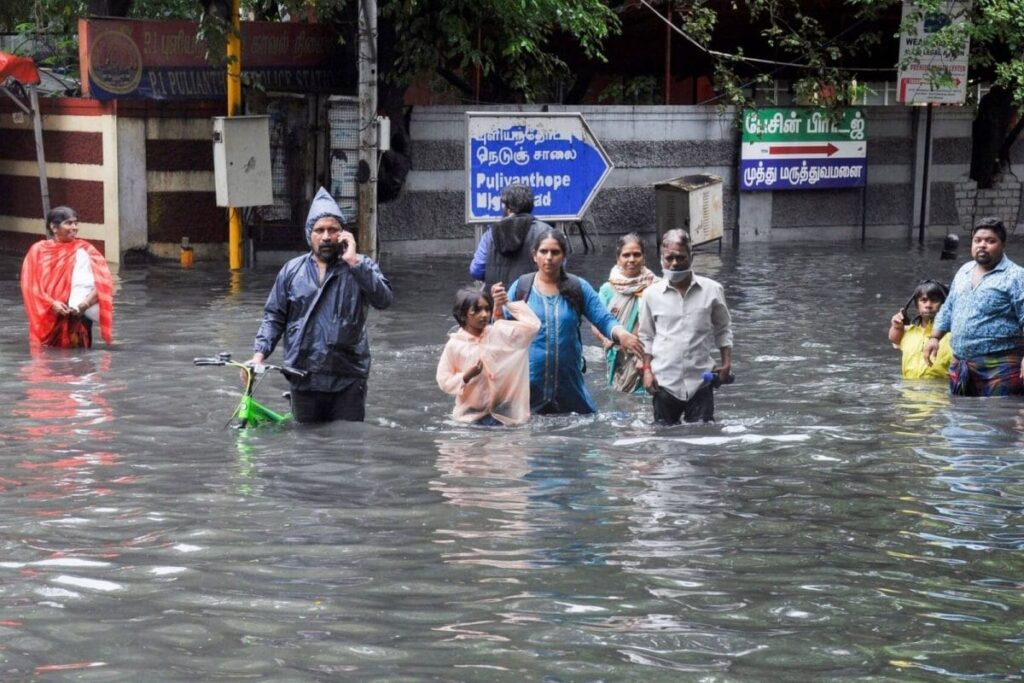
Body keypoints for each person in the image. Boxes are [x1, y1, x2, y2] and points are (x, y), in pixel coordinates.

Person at [249, 187, 393, 423]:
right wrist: (259, 356)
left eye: (332, 230)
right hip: (303, 377)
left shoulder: (361, 266)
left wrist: (355, 263)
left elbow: (384, 299)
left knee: (346, 446)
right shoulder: (291, 271)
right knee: (305, 448)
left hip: (348, 377)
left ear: (343, 234)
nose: (326, 236)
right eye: (320, 230)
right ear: (310, 234)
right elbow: (274, 317)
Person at [505, 229, 644, 415]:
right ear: (534, 256)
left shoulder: (578, 287)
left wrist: (622, 334)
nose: (549, 257)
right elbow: (500, 329)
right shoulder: (522, 288)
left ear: (564, 257)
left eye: (555, 252)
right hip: (528, 385)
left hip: (570, 386)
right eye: (543, 252)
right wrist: (498, 308)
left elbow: (603, 318)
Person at [638, 229, 733, 424]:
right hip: (663, 383)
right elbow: (646, 336)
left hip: (701, 383)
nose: (674, 263)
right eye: (669, 258)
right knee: (663, 440)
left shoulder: (713, 290)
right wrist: (647, 371)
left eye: (680, 258)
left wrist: (726, 363)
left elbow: (723, 328)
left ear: (691, 257)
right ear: (661, 258)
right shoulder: (650, 295)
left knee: (701, 441)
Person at [925, 216, 1024, 396]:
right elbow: (949, 308)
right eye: (977, 240)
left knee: (1000, 419)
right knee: (959, 419)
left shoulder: (1016, 276)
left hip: (1001, 366)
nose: (982, 245)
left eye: (990, 241)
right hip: (961, 364)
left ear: (1003, 244)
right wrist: (934, 338)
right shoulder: (964, 271)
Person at [436, 283, 541, 426]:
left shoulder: (498, 333)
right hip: (470, 418)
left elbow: (532, 327)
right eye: (477, 310)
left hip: (505, 415)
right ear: (463, 315)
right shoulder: (455, 345)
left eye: (487, 309)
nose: (484, 314)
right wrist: (466, 376)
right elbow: (444, 381)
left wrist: (507, 304)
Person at [20, 206, 114, 348]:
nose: (74, 227)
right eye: (69, 223)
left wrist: (86, 304)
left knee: (81, 363)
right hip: (49, 316)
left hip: (78, 316)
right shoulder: (38, 251)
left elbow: (104, 283)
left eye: (76, 223)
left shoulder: (86, 250)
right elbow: (30, 286)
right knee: (48, 363)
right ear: (54, 227)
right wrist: (52, 304)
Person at [592, 233, 659, 393]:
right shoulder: (608, 290)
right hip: (618, 355)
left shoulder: (656, 286)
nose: (631, 259)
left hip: (650, 355)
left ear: (644, 258)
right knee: (621, 398)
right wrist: (606, 340)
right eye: (626, 255)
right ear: (618, 258)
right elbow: (596, 321)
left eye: (637, 254)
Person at [469, 183, 552, 288]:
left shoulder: (490, 235)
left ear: (508, 208)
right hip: (531, 300)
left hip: (497, 300)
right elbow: (556, 267)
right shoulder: (545, 232)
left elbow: (476, 271)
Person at [888, 279, 953, 379]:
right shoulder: (908, 331)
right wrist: (896, 326)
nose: (928, 305)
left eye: (934, 300)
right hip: (910, 391)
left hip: (941, 391)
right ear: (917, 306)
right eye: (924, 300)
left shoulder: (953, 333)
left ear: (945, 306)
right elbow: (894, 339)